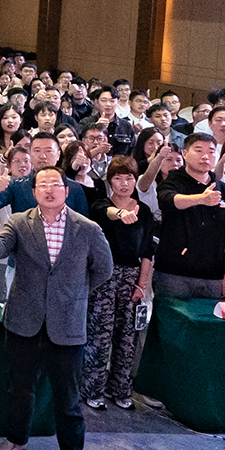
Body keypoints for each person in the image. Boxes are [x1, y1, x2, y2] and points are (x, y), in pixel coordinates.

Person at [0, 167, 114, 450]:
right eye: (43, 185)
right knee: (19, 388)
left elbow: (104, 269)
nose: (49, 189)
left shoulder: (88, 228)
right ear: (34, 192)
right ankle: (16, 440)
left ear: (66, 191)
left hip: (68, 323)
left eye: (55, 184)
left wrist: (75, 291)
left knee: (68, 396)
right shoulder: (19, 222)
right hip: (24, 321)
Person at [84, 156, 156, 410]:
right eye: (118, 178)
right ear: (110, 181)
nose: (124, 183)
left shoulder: (144, 212)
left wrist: (141, 284)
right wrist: (121, 213)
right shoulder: (100, 205)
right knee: (99, 336)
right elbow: (107, 213)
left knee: (127, 338)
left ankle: (121, 390)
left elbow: (147, 251)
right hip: (104, 276)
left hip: (132, 277)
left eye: (129, 178)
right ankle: (92, 389)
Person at [153, 133, 225, 299]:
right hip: (174, 273)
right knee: (170, 315)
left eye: (211, 152)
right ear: (185, 154)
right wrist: (201, 199)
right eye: (199, 150)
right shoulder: (172, 181)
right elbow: (168, 200)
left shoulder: (223, 189)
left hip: (213, 275)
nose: (205, 156)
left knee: (208, 316)